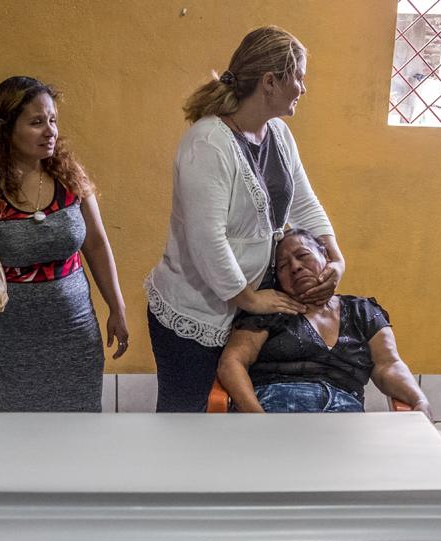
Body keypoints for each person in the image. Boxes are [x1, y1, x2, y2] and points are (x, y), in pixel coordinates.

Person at [145, 25, 345, 412]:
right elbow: (207, 240)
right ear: (270, 82)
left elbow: (304, 204)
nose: (303, 88)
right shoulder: (208, 143)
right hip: (196, 313)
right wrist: (250, 298)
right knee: (185, 420)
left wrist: (336, 258)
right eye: (298, 77)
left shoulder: (280, 136)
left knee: (233, 419)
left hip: (248, 308)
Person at [0, 76, 128, 411]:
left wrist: (117, 307)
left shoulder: (70, 178)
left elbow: (97, 244)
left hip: (75, 335)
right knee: (22, 438)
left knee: (81, 430)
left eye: (53, 121)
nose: (50, 131)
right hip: (9, 341)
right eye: (37, 122)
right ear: (5, 128)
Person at [217, 229, 431, 417]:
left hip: (345, 414)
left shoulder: (361, 310)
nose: (295, 267)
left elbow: (388, 365)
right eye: (283, 266)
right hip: (277, 408)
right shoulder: (269, 307)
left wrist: (419, 399)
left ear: (326, 257)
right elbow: (232, 363)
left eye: (303, 256)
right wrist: (256, 419)